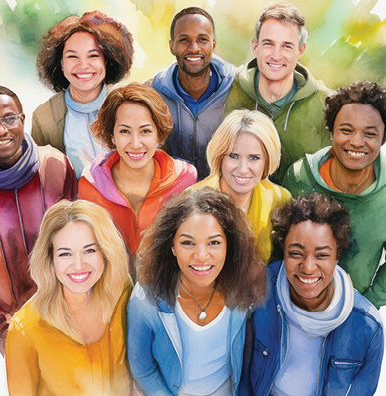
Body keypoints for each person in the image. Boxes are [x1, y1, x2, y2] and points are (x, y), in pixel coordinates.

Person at [239, 193, 384, 396]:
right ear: (284, 251)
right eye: (296, 253)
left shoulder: (367, 326)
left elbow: (362, 393)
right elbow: (243, 377)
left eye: (322, 255)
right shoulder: (260, 293)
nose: (308, 267)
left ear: (337, 256)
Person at [127, 188, 267, 396]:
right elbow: (143, 369)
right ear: (171, 246)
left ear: (229, 244)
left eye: (214, 242)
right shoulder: (145, 300)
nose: (201, 256)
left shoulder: (243, 285)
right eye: (187, 243)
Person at [5, 200, 133, 396]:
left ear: (106, 252)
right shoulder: (25, 328)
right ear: (50, 259)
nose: (79, 265)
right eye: (65, 254)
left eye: (90, 250)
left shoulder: (122, 291)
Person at [0, 84, 77, 354]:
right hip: (15, 330)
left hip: (70, 316)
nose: (1, 130)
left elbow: (81, 237)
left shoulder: (55, 166)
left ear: (22, 120)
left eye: (9, 118)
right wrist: (0, 323)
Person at [283, 81, 386, 308]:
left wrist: (368, 302)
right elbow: (280, 245)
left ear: (383, 138)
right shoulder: (300, 177)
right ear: (331, 133)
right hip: (294, 306)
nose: (357, 142)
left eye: (369, 133)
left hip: (353, 309)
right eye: (346, 130)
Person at [79, 83, 197, 259]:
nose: (135, 143)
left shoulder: (185, 180)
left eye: (145, 131)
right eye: (125, 131)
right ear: (112, 136)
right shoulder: (90, 186)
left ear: (159, 134)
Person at [224, 2, 331, 183]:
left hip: (300, 209)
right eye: (268, 44)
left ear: (300, 50)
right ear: (255, 47)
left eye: (286, 46)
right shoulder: (228, 90)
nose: (276, 55)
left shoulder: (326, 104)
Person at [32, 10, 134, 178]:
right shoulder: (44, 117)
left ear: (107, 61)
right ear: (60, 64)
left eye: (93, 55)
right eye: (73, 57)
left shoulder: (131, 105)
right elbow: (45, 179)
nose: (83, 65)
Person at [193, 109, 291, 263]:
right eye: (233, 156)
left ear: (267, 160)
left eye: (254, 158)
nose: (243, 169)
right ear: (220, 158)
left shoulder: (280, 199)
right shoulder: (191, 199)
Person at [153, 7, 236, 180]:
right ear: (172, 46)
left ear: (213, 44)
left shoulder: (235, 87)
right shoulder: (155, 93)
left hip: (226, 193)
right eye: (184, 40)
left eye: (202, 40)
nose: (194, 48)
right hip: (174, 194)